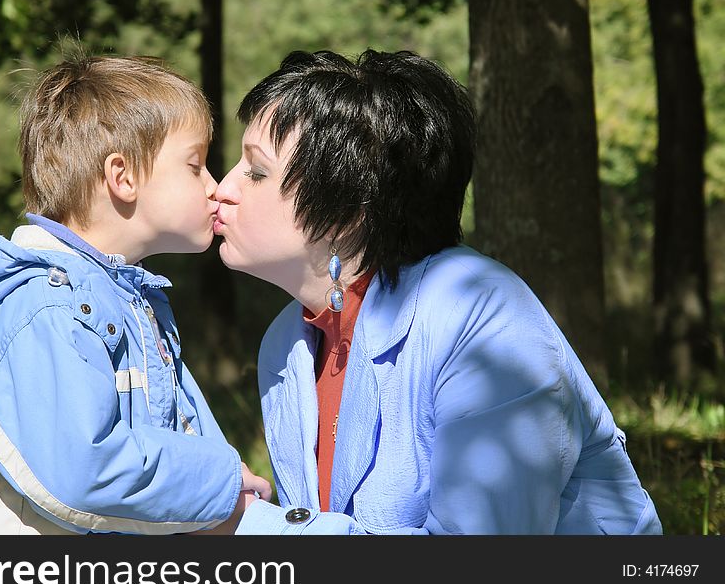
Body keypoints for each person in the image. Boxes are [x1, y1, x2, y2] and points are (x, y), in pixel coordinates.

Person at [213, 49, 662, 535]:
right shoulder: (288, 340)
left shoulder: (481, 314)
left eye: (256, 172)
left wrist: (249, 527)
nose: (222, 188)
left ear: (348, 208)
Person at [0, 54, 270, 535]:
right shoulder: (44, 309)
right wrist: (221, 487)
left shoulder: (131, 306)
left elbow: (182, 442)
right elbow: (82, 472)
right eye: (196, 166)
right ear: (123, 177)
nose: (215, 188)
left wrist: (232, 497)